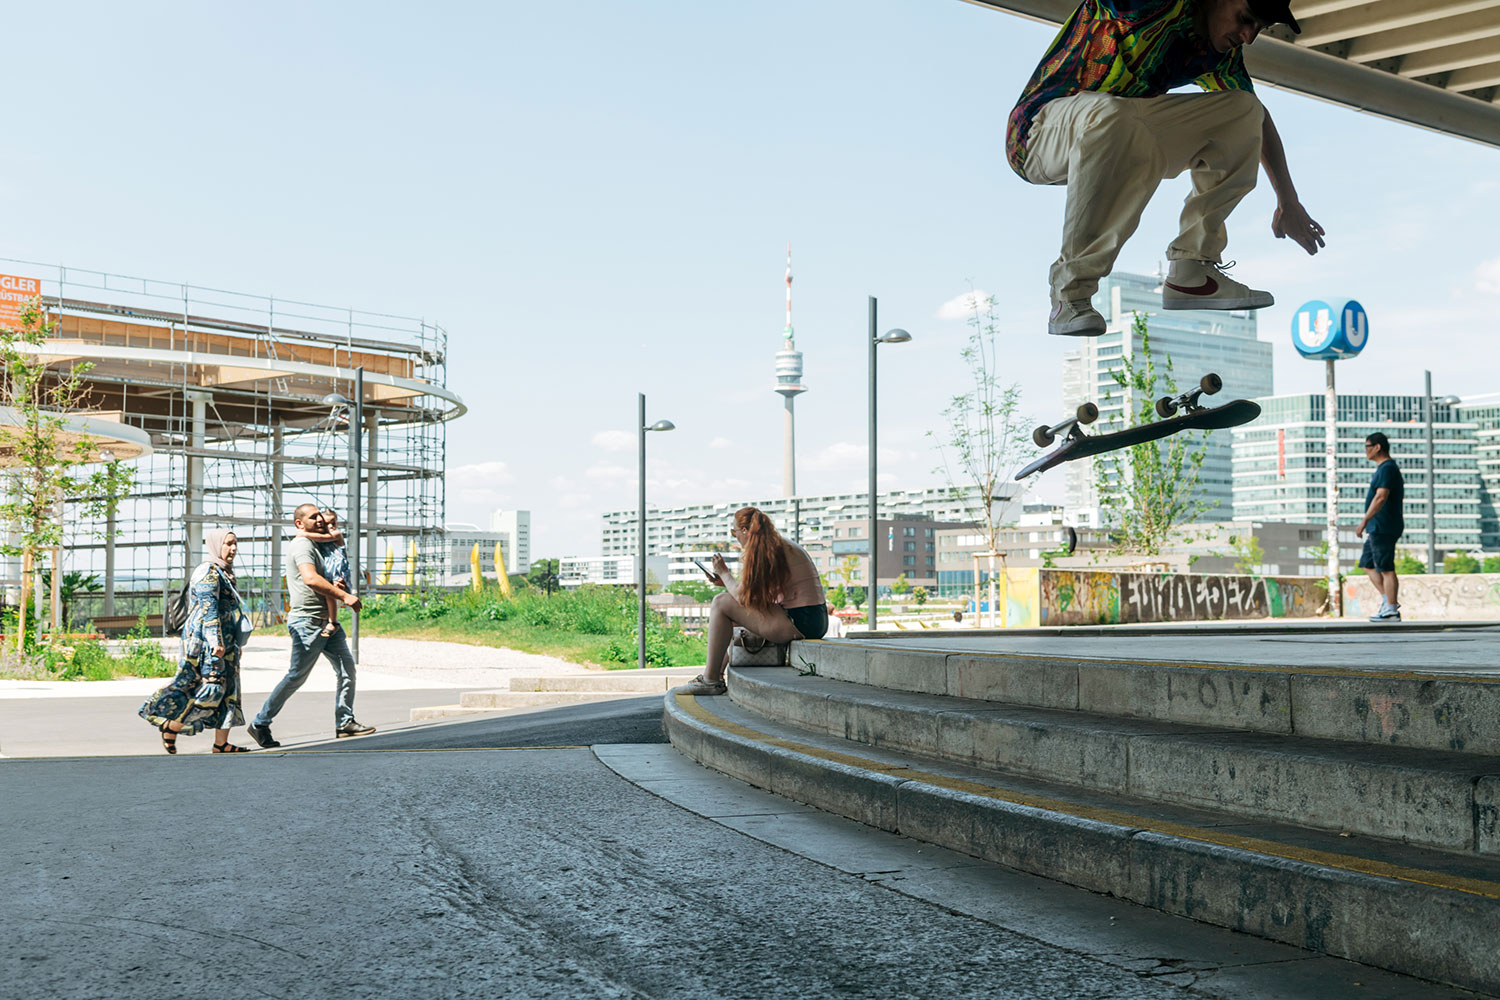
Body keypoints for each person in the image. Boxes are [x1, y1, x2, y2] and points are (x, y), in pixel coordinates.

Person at [1007, 0, 1325, 337]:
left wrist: (1288, 201)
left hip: (1120, 130)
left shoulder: (1219, 56)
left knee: (1244, 110)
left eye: (1259, 28)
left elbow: (1258, 124)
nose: (1248, 37)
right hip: (1038, 136)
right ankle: (1068, 296)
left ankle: (1192, 269)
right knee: (1112, 114)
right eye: (1245, 19)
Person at [246, 503, 375, 747]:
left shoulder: (319, 543)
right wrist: (345, 596)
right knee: (296, 677)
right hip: (307, 622)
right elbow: (311, 578)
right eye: (313, 517)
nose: (319, 520)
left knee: (347, 670)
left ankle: (345, 722)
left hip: (327, 622)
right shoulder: (302, 545)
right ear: (299, 523)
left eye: (320, 516)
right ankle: (260, 723)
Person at [680, 507, 828, 696]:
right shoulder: (777, 545)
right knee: (726, 614)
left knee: (720, 603)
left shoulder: (767, 550)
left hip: (801, 620)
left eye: (734, 532)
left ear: (745, 531)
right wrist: (725, 581)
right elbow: (754, 596)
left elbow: (743, 598)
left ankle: (710, 680)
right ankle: (714, 674)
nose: (735, 537)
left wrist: (724, 573)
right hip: (812, 618)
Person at [139, 529, 252, 753]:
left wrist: (234, 644)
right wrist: (215, 642)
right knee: (209, 688)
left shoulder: (224, 571)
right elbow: (208, 610)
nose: (233, 548)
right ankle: (171, 725)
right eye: (228, 544)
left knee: (230, 689)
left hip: (226, 639)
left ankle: (221, 744)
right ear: (216, 545)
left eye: (235, 543)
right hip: (206, 642)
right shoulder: (207, 571)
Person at [1356, 431, 1405, 622]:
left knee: (1386, 568)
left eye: (1367, 446)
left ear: (1377, 447)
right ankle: (1388, 601)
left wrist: (1364, 521)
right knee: (1367, 564)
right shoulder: (1383, 468)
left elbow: (1381, 497)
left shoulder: (1387, 468)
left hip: (1383, 526)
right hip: (1377, 527)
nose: (1365, 451)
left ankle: (1392, 609)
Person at [299, 508, 350, 639]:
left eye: (334, 522)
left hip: (337, 569)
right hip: (328, 569)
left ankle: (333, 621)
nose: (331, 526)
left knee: (330, 594)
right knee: (328, 595)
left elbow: (322, 538)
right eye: (327, 523)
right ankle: (331, 620)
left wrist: (304, 534)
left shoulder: (336, 534)